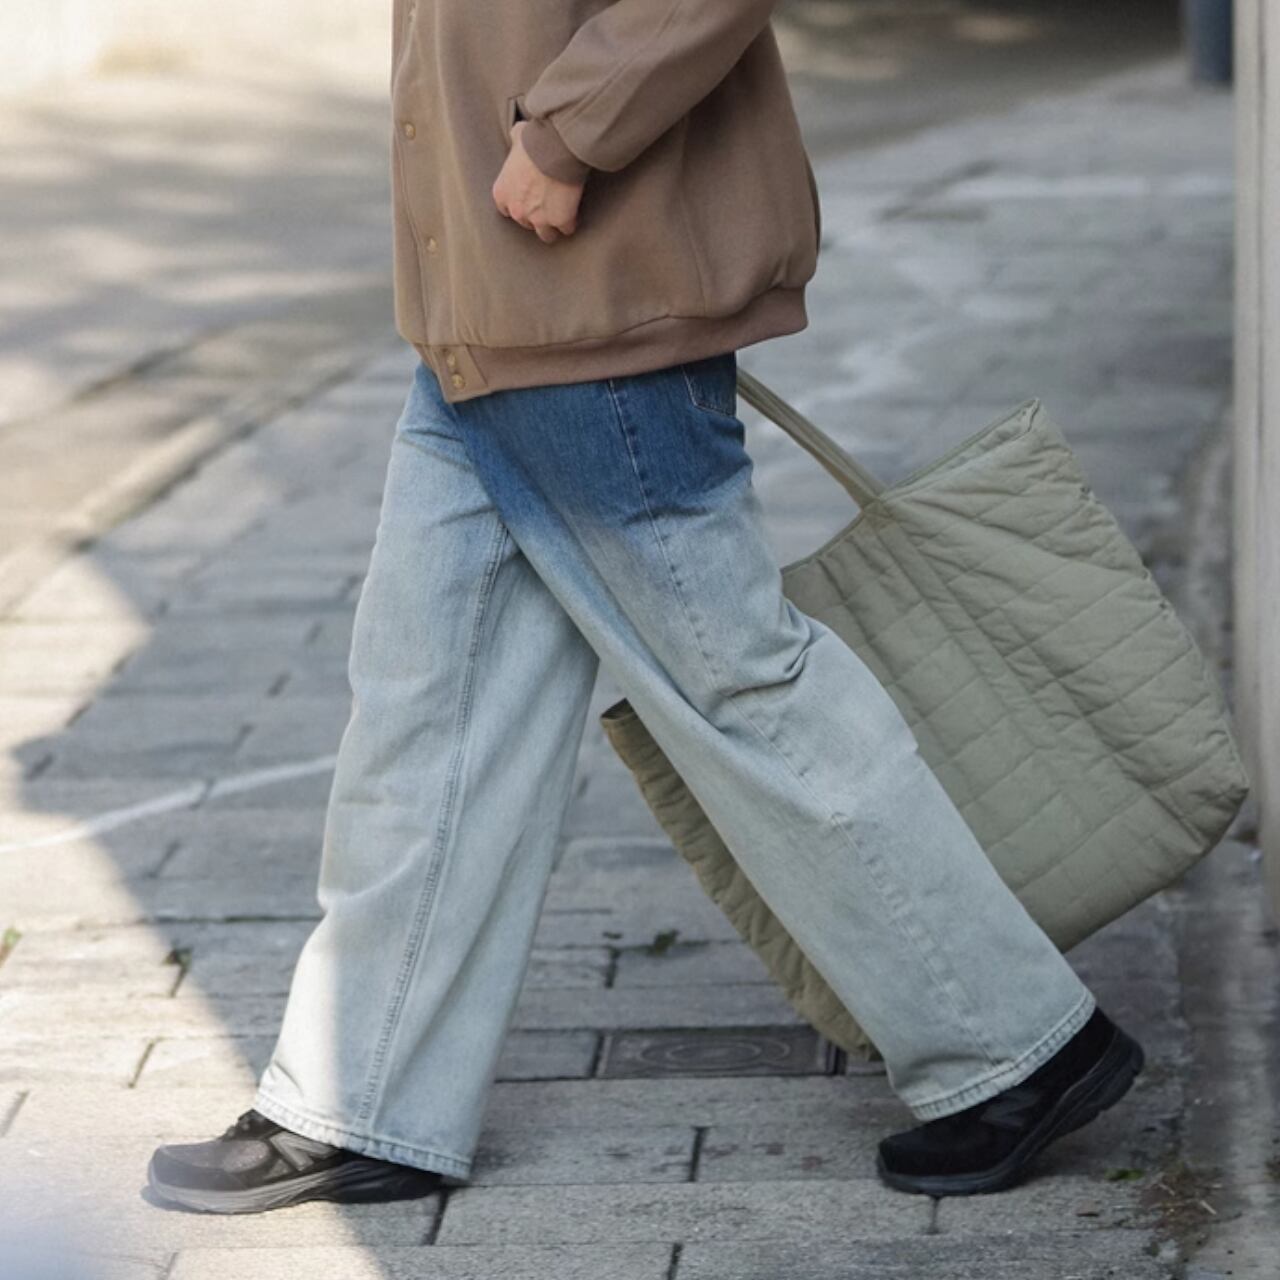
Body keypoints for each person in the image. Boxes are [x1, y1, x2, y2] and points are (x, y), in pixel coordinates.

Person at [147, 0, 1143, 1213]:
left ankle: (1019, 1042)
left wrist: (568, 134)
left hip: (590, 303)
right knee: (427, 704)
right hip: (481, 306)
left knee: (737, 682)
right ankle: (362, 1097)